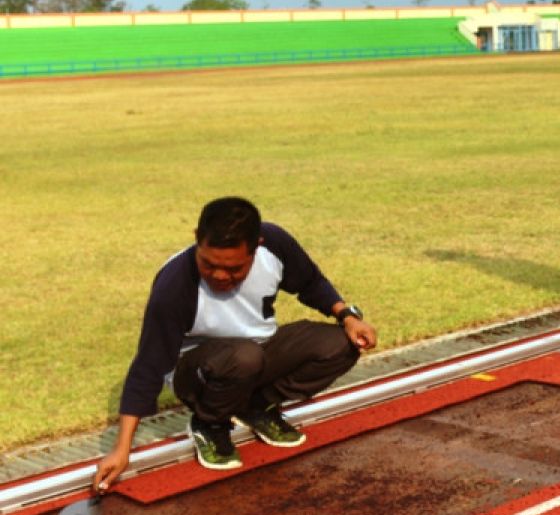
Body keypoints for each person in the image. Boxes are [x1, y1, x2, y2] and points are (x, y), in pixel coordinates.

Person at [93, 196, 377, 487]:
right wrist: (122, 448)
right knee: (244, 356)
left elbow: (311, 283)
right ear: (196, 239)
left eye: (233, 269)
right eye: (209, 264)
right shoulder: (174, 285)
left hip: (256, 352)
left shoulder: (275, 244)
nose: (219, 276)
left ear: (257, 247)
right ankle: (209, 423)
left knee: (340, 345)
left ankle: (256, 406)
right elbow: (149, 366)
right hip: (196, 372)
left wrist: (347, 317)